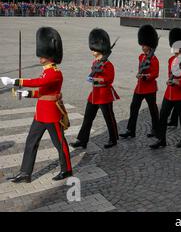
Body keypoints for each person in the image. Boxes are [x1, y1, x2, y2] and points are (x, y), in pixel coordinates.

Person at [1, 27, 72, 183]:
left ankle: (66, 169)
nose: (40, 56)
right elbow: (41, 92)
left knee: (59, 143)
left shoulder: (54, 72)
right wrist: (25, 94)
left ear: (49, 55)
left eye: (42, 54)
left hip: (52, 114)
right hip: (41, 114)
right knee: (31, 141)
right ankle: (25, 172)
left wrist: (15, 81)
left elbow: (38, 83)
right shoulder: (46, 70)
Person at [72, 29, 120, 150]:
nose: (92, 51)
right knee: (88, 118)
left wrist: (97, 80)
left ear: (101, 49)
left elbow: (109, 79)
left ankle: (113, 138)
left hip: (104, 95)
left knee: (109, 118)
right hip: (94, 95)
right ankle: (82, 140)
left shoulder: (108, 65)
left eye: (94, 49)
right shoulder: (95, 63)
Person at [150, 28, 181, 149]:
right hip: (170, 93)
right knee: (163, 115)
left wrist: (178, 82)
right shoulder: (171, 60)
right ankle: (161, 139)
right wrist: (170, 81)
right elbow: (170, 74)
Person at [120, 25, 160, 139]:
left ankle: (156, 129)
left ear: (150, 45)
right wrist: (139, 75)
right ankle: (130, 130)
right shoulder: (141, 57)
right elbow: (140, 69)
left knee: (153, 110)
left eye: (145, 45)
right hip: (140, 87)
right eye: (142, 45)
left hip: (150, 88)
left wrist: (146, 76)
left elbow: (155, 74)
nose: (143, 47)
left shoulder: (154, 59)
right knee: (134, 108)